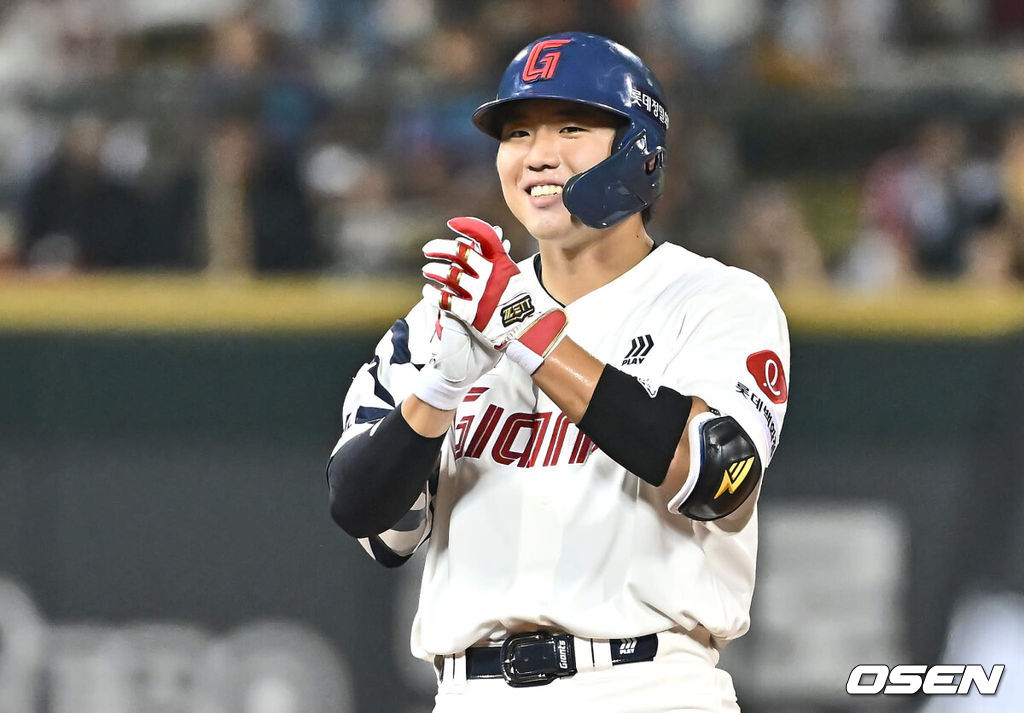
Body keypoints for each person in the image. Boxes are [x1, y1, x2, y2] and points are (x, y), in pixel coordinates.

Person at [327, 32, 790, 712]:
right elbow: (364, 512)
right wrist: (439, 387)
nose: (538, 154)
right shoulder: (442, 320)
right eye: (516, 133)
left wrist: (524, 330)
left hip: (644, 683)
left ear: (640, 148)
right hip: (470, 692)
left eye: (571, 126)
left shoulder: (716, 299)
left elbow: (719, 475)